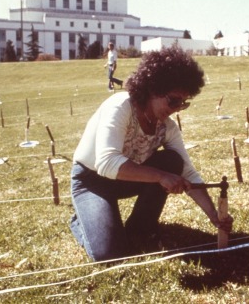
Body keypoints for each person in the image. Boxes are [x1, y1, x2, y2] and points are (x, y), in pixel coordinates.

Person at [70, 47, 233, 261]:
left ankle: (140, 228)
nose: (176, 108)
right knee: (110, 255)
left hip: (126, 179)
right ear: (153, 88)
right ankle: (79, 219)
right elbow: (107, 163)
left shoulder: (167, 128)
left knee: (172, 161)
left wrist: (214, 216)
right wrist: (161, 177)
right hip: (92, 181)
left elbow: (188, 172)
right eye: (173, 100)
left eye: (182, 103)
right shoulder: (120, 106)